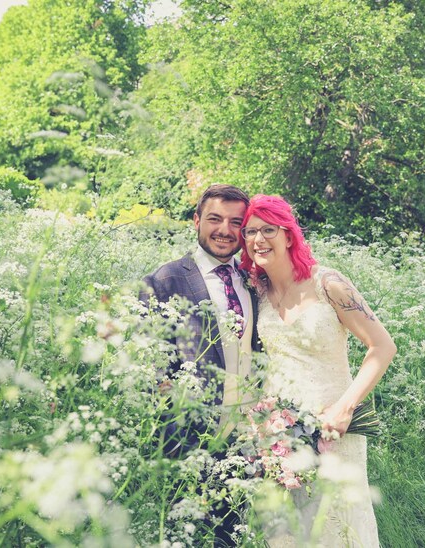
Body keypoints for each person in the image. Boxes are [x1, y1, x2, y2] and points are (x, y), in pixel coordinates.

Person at [238, 194, 396, 547]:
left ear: (289, 235)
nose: (258, 240)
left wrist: (345, 407)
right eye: (250, 232)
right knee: (286, 532)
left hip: (333, 430)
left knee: (335, 527)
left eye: (268, 230)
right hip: (278, 435)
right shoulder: (257, 290)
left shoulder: (329, 284)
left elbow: (382, 346)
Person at [141, 184, 261, 546]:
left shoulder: (254, 281)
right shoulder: (165, 280)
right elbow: (149, 364)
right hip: (190, 442)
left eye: (235, 222)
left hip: (246, 440)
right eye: (214, 219)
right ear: (196, 221)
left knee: (234, 535)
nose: (225, 230)